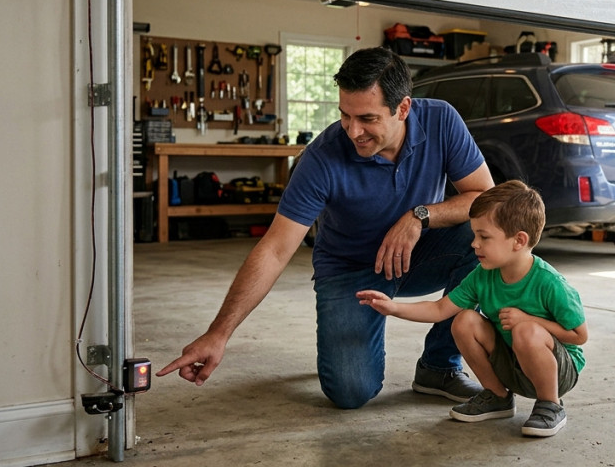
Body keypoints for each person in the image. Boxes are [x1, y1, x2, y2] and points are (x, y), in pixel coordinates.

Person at [157, 47, 495, 410]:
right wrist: (218, 333)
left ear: (403, 108)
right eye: (345, 116)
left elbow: (485, 199)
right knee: (350, 393)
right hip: (351, 271)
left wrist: (419, 216)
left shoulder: (441, 120)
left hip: (416, 253)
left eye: (367, 118)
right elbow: (274, 250)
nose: (353, 131)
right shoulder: (321, 159)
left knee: (486, 243)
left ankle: (438, 367)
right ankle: (348, 343)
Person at [358, 180, 588, 437]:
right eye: (475, 234)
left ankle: (551, 405)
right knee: (464, 320)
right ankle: (497, 396)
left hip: (558, 372)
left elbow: (579, 336)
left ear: (518, 240)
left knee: (527, 331)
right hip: (513, 362)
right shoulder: (482, 275)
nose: (474, 244)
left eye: (484, 237)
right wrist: (393, 308)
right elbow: (439, 309)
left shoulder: (549, 282)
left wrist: (529, 320)